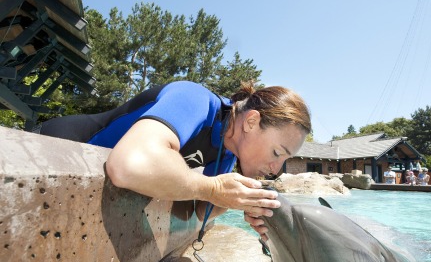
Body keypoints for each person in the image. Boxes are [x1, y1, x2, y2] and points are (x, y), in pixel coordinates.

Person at [39, 80, 312, 240]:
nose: (276, 169)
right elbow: (128, 166)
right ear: (251, 121)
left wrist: (240, 200)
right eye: (277, 153)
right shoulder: (195, 99)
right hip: (54, 149)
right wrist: (214, 189)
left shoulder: (228, 151)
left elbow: (198, 213)